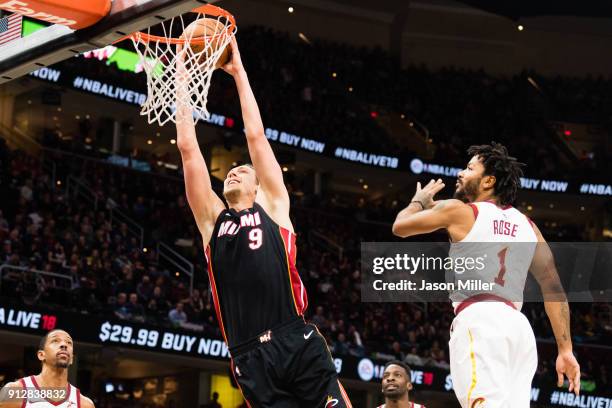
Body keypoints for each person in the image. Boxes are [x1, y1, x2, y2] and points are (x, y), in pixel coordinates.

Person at [175, 37, 351, 407]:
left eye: (243, 170)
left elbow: (255, 135)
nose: (235, 173)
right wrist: (181, 74)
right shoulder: (212, 221)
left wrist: (238, 73)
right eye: (230, 172)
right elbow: (188, 149)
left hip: (295, 339)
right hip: (249, 356)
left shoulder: (273, 206)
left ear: (259, 185)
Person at [392, 142, 580, 407]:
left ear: (488, 180)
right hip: (519, 330)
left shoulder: (460, 211)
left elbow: (400, 227)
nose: (461, 173)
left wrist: (418, 202)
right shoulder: (529, 227)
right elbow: (555, 290)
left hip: (480, 320)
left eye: (469, 168)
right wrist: (565, 349)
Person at [0, 329, 94, 407]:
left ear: (72, 359)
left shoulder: (84, 404)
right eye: (55, 341)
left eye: (69, 342)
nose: (64, 345)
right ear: (41, 355)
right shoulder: (15, 392)